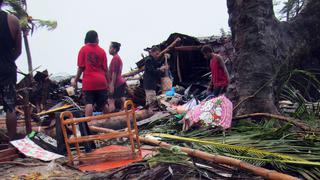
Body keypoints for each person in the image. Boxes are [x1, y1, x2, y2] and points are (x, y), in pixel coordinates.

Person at [71, 30, 109, 117]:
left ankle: (88, 124)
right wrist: (109, 83)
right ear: (96, 39)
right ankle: (109, 121)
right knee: (104, 104)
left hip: (89, 82)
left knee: (89, 103)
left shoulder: (83, 50)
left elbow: (81, 67)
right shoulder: (102, 51)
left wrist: (75, 80)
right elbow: (106, 70)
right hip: (101, 82)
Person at [0, 0, 22, 140]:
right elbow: (18, 50)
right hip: (7, 69)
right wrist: (8, 61)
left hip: (6, 67)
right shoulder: (12, 20)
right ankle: (12, 141)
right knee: (10, 106)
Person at [143, 46, 168, 114]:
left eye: (158, 54)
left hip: (151, 83)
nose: (157, 55)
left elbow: (158, 64)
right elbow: (152, 71)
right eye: (156, 54)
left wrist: (164, 58)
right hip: (149, 83)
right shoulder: (148, 60)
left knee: (150, 100)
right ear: (152, 53)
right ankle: (151, 113)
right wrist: (160, 69)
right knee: (151, 100)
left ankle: (149, 112)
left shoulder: (152, 60)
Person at [108, 41, 126, 111]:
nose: (109, 49)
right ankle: (126, 111)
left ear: (114, 49)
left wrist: (112, 85)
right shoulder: (118, 58)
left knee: (111, 100)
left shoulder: (115, 58)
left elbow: (114, 73)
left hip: (117, 83)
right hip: (121, 81)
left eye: (110, 48)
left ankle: (111, 116)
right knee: (122, 98)